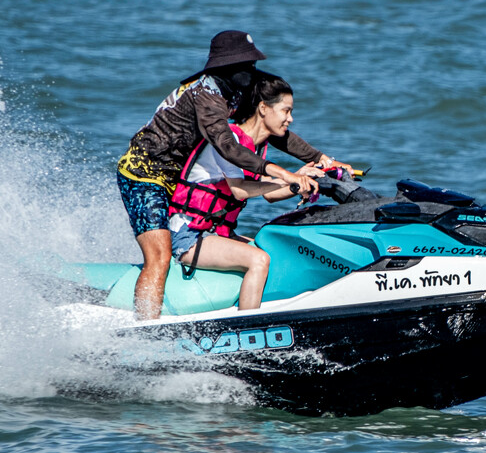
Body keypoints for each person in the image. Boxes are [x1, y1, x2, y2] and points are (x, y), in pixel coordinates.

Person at [117, 30, 348, 319]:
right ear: (227, 67)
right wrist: (284, 174)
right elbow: (227, 146)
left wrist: (321, 159)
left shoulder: (237, 90)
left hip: (176, 178)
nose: (254, 73)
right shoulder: (207, 96)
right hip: (143, 175)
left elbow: (273, 129)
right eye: (248, 66)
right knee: (159, 256)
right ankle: (145, 332)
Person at [167, 73, 334, 310]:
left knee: (274, 250)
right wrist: (292, 181)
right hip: (189, 234)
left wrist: (302, 181)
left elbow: (269, 194)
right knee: (259, 259)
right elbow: (240, 191)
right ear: (264, 108)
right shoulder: (231, 142)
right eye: (286, 111)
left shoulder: (256, 149)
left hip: (217, 233)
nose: (291, 119)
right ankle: (246, 330)